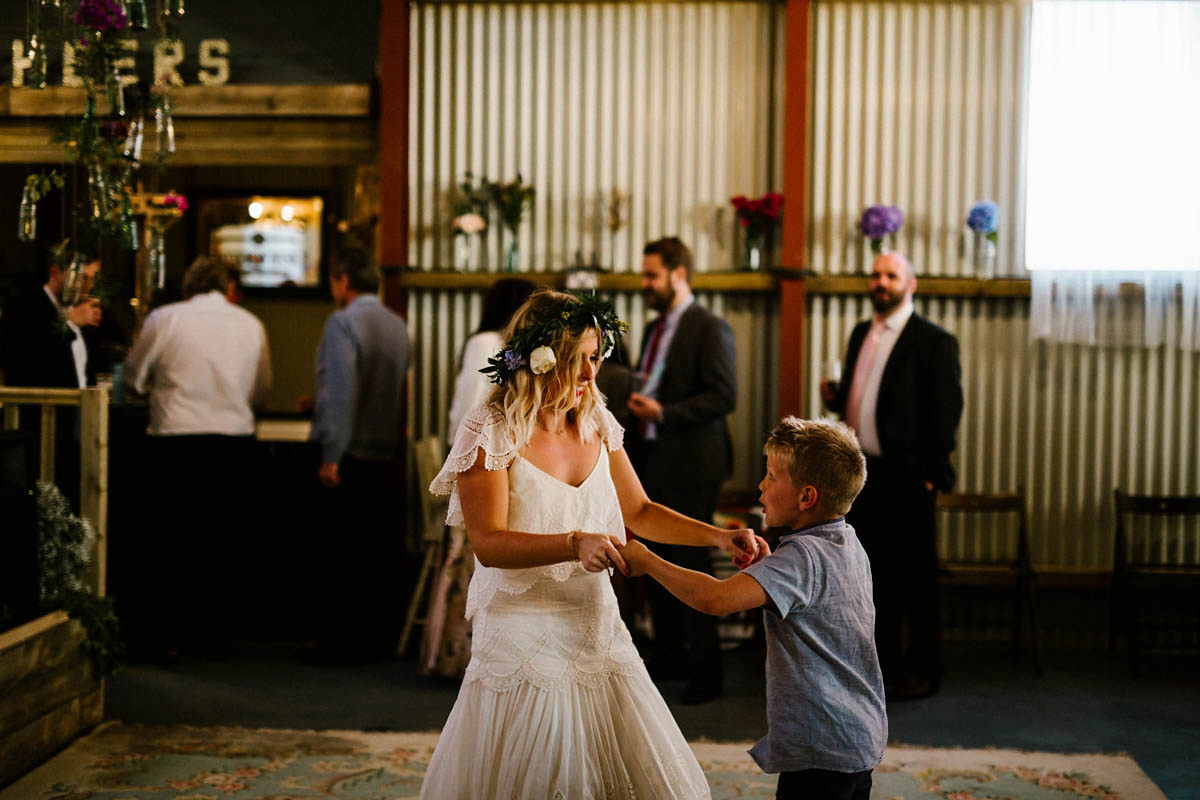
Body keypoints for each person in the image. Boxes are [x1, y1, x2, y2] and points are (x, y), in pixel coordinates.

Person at [419, 289, 758, 798]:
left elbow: (639, 511)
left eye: (596, 359)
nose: (589, 375)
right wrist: (573, 542)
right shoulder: (489, 430)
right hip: (522, 631)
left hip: (596, 625)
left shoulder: (597, 421)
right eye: (578, 360)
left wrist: (717, 534)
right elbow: (488, 544)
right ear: (539, 358)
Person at [620, 416, 887, 800]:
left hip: (821, 745)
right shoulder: (845, 541)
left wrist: (647, 561)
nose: (761, 485)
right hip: (858, 733)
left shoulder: (800, 557)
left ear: (806, 497)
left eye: (772, 476)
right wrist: (767, 567)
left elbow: (714, 599)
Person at [820, 251, 963, 700]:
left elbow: (946, 411)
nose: (881, 281)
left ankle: (924, 669)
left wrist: (930, 474)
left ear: (910, 284)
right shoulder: (863, 331)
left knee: (917, 576)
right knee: (872, 574)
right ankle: (881, 667)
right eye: (876, 275)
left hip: (909, 475)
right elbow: (866, 398)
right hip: (865, 473)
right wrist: (838, 397)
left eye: (890, 275)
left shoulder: (933, 341)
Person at [124, 256, 272, 659]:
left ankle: (167, 637)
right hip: (234, 441)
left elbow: (134, 378)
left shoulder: (165, 318)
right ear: (227, 288)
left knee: (172, 540)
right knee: (223, 540)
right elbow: (261, 390)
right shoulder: (250, 324)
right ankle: (216, 637)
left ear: (187, 288)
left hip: (177, 439)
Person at [625, 235, 736, 704]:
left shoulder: (709, 327)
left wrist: (663, 414)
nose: (645, 284)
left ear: (679, 274)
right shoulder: (653, 329)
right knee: (656, 561)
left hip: (692, 463)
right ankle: (669, 658)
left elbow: (723, 396)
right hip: (651, 459)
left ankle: (706, 672)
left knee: (690, 560)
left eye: (652, 275)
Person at [421, 276, 535, 678]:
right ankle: (460, 656)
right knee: (471, 561)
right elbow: (467, 415)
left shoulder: (518, 350)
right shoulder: (487, 343)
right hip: (482, 464)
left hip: (508, 466)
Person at [307, 247, 411, 664]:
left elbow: (343, 394)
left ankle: (338, 644)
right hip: (386, 453)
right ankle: (376, 640)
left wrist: (332, 454)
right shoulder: (398, 325)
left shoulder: (342, 323)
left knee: (339, 551)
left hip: (350, 453)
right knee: (376, 551)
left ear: (343, 281)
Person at [0, 243, 103, 511]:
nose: (86, 286)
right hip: (39, 421)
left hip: (80, 423)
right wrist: (69, 324)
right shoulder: (25, 306)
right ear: (56, 272)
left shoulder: (84, 310)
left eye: (92, 279)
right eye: (81, 277)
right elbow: (21, 359)